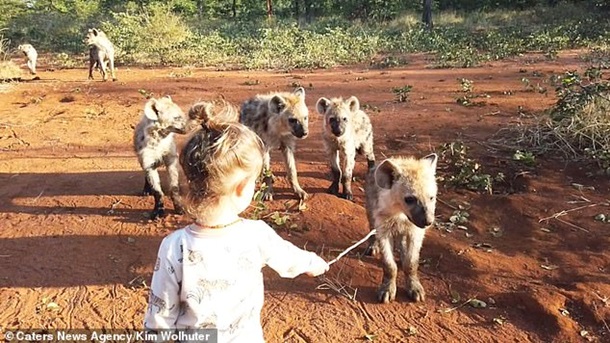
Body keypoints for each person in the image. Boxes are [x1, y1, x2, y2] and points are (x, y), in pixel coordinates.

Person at [143, 103, 329, 342]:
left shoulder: (173, 246)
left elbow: (159, 320)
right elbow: (290, 261)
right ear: (242, 189)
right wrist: (314, 263)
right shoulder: (256, 234)